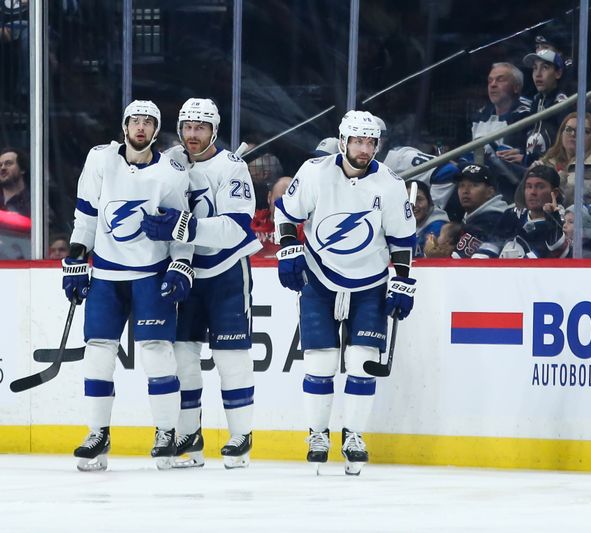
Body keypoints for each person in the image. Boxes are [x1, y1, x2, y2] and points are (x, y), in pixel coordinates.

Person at [273, 110, 416, 475]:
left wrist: (401, 279)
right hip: (319, 278)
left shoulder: (390, 184)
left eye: (370, 142)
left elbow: (402, 239)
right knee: (320, 361)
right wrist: (288, 248)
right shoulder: (314, 172)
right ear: (343, 141)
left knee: (363, 361)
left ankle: (353, 435)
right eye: (357, 141)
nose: (364, 148)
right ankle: (317, 433)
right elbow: (287, 213)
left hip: (370, 283)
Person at [64, 100, 194, 471]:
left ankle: (166, 434)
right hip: (106, 273)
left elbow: (179, 222)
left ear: (156, 130)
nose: (140, 127)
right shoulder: (100, 159)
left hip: (151, 273)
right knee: (98, 352)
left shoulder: (171, 169)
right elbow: (86, 212)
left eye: (148, 122)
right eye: (135, 121)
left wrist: (181, 263)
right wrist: (76, 258)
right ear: (124, 126)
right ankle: (97, 434)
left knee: (156, 352)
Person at [140, 98, 262, 469]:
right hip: (186, 269)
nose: (193, 135)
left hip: (226, 271)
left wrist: (183, 225)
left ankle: (240, 435)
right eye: (188, 127)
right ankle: (189, 435)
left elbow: (236, 228)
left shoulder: (231, 167)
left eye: (201, 128)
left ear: (214, 130)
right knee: (182, 358)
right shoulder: (170, 160)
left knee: (231, 358)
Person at [497, 165, 568, 259]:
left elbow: (557, 249)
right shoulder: (512, 215)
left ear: (554, 193)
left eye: (540, 187)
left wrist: (553, 218)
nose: (532, 192)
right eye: (529, 186)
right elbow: (493, 243)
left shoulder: (565, 221)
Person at [522, 49, 569, 166]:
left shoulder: (563, 103)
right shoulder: (536, 100)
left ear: (558, 73)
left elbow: (562, 147)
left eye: (545, 67)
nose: (537, 74)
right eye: (534, 68)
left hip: (551, 165)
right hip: (532, 162)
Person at [407, 180, 448, 258]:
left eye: (419, 199)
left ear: (429, 201)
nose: (413, 205)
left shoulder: (438, 227)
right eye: (407, 201)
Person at [0, 147, 30, 217]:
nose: (3, 168)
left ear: (22, 169)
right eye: (0, 165)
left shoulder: (35, 202)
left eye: (8, 163)